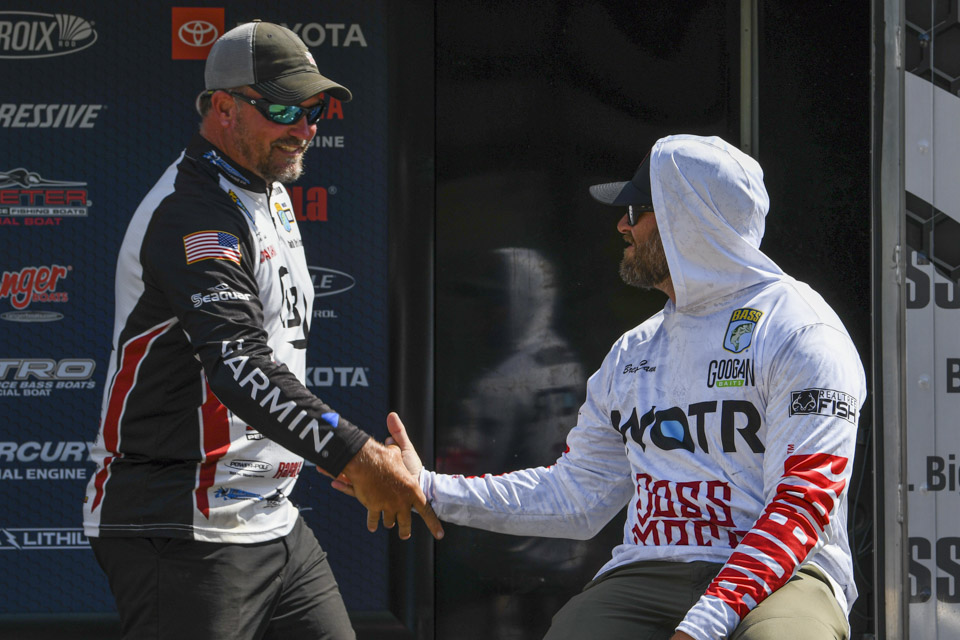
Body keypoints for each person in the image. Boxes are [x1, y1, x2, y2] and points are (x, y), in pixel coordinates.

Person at [353, 134, 866, 639]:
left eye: (637, 209)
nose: (622, 224)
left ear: (689, 218)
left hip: (788, 572)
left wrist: (702, 626)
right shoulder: (632, 352)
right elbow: (576, 496)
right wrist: (429, 488)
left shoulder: (802, 332)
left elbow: (801, 505)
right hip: (651, 571)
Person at [82, 20, 442, 640]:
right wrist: (356, 454)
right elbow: (240, 367)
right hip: (182, 523)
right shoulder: (193, 213)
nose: (303, 128)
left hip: (271, 520)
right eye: (281, 109)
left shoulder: (266, 188)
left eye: (313, 110)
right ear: (223, 108)